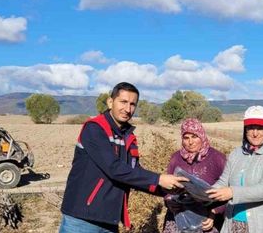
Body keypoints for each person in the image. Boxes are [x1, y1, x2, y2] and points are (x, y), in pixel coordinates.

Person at [60, 82, 188, 233]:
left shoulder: (127, 135)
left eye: (133, 104)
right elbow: (114, 168)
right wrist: (159, 178)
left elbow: (133, 171)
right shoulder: (94, 128)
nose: (128, 109)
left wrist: (166, 190)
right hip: (83, 219)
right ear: (110, 102)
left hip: (109, 218)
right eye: (123, 102)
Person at [207, 105, 263, 233]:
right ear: (245, 130)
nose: (255, 133)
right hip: (233, 223)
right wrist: (204, 192)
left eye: (260, 128)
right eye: (251, 128)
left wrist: (233, 192)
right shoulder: (236, 154)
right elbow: (223, 182)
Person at [163, 118, 228, 233]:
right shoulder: (176, 158)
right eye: (186, 138)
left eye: (194, 136)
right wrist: (170, 203)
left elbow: (229, 190)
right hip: (178, 218)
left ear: (202, 136)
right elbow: (167, 190)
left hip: (206, 221)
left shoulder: (217, 158)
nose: (190, 142)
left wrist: (215, 212)